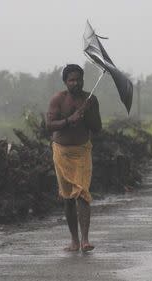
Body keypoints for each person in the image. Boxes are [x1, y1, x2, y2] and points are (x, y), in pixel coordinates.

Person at [46, 64, 102, 252]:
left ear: (83, 80)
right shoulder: (58, 99)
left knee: (83, 193)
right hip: (61, 152)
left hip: (82, 151)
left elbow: (97, 128)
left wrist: (87, 114)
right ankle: (74, 241)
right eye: (71, 80)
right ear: (65, 82)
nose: (75, 83)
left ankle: (85, 240)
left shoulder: (91, 99)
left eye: (78, 79)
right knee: (68, 197)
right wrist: (70, 119)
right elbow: (50, 125)